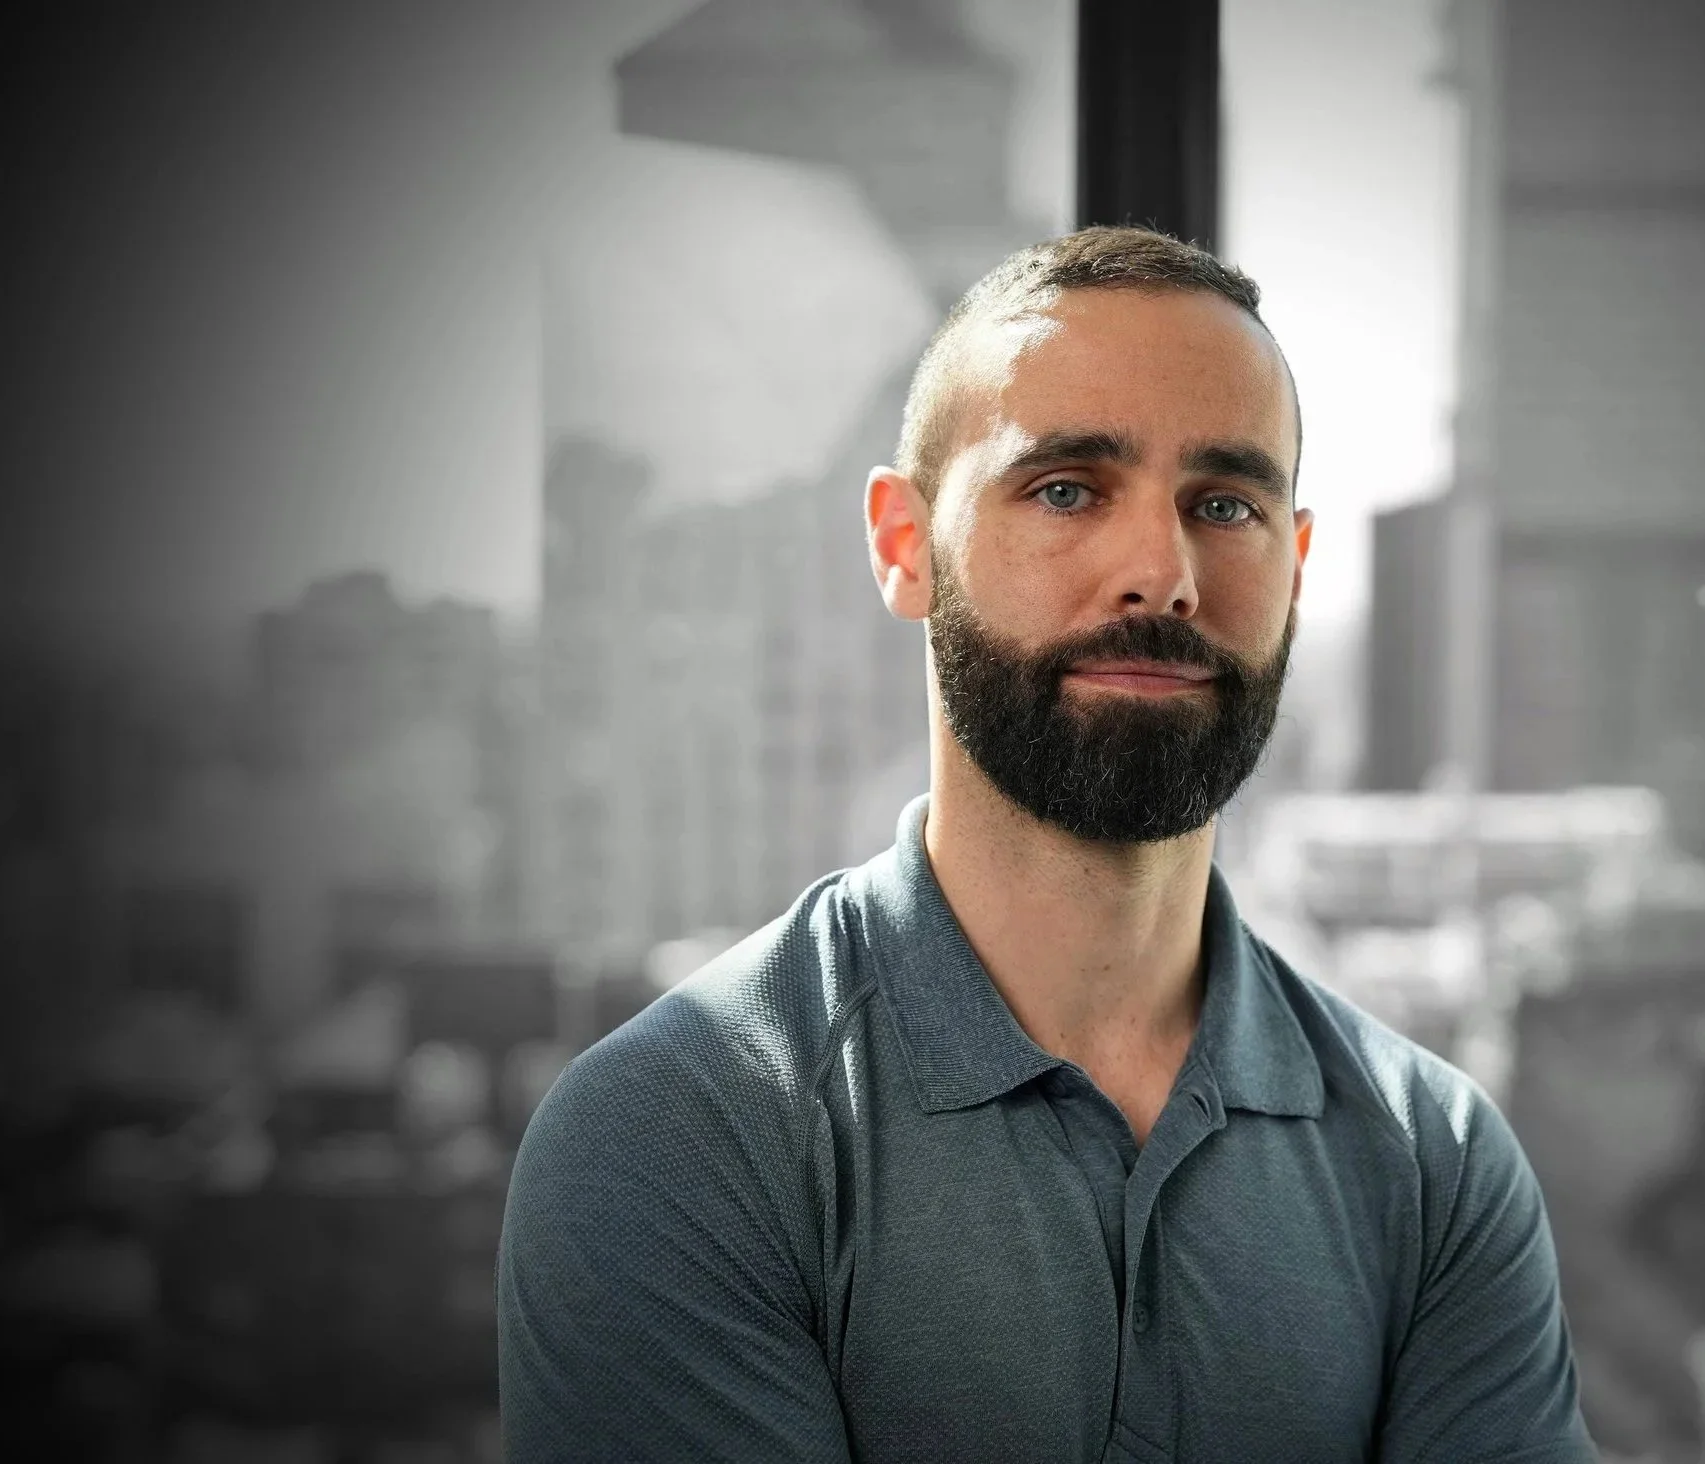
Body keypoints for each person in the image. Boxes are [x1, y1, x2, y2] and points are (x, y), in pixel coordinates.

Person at [496, 226, 1595, 1463]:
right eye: (1066, 488)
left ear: (1293, 566)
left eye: (1223, 504)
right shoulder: (680, 1130)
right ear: (904, 544)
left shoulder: (1435, 1160)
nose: (1161, 574)